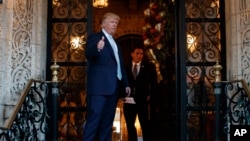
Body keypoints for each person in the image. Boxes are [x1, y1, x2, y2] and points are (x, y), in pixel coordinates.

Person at [83, 12, 131, 141]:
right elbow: (89, 54)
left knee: (107, 124)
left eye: (116, 22)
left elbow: (120, 64)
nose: (115, 24)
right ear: (103, 24)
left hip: (114, 88)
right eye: (112, 22)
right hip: (99, 88)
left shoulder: (116, 43)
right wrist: (97, 48)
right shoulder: (95, 37)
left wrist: (126, 83)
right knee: (94, 121)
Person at [123, 46, 157, 141]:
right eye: (137, 53)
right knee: (130, 125)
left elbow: (154, 83)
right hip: (128, 101)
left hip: (142, 100)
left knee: (145, 124)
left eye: (141, 54)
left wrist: (150, 95)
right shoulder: (125, 67)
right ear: (132, 54)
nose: (139, 55)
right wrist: (122, 95)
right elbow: (121, 82)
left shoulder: (149, 67)